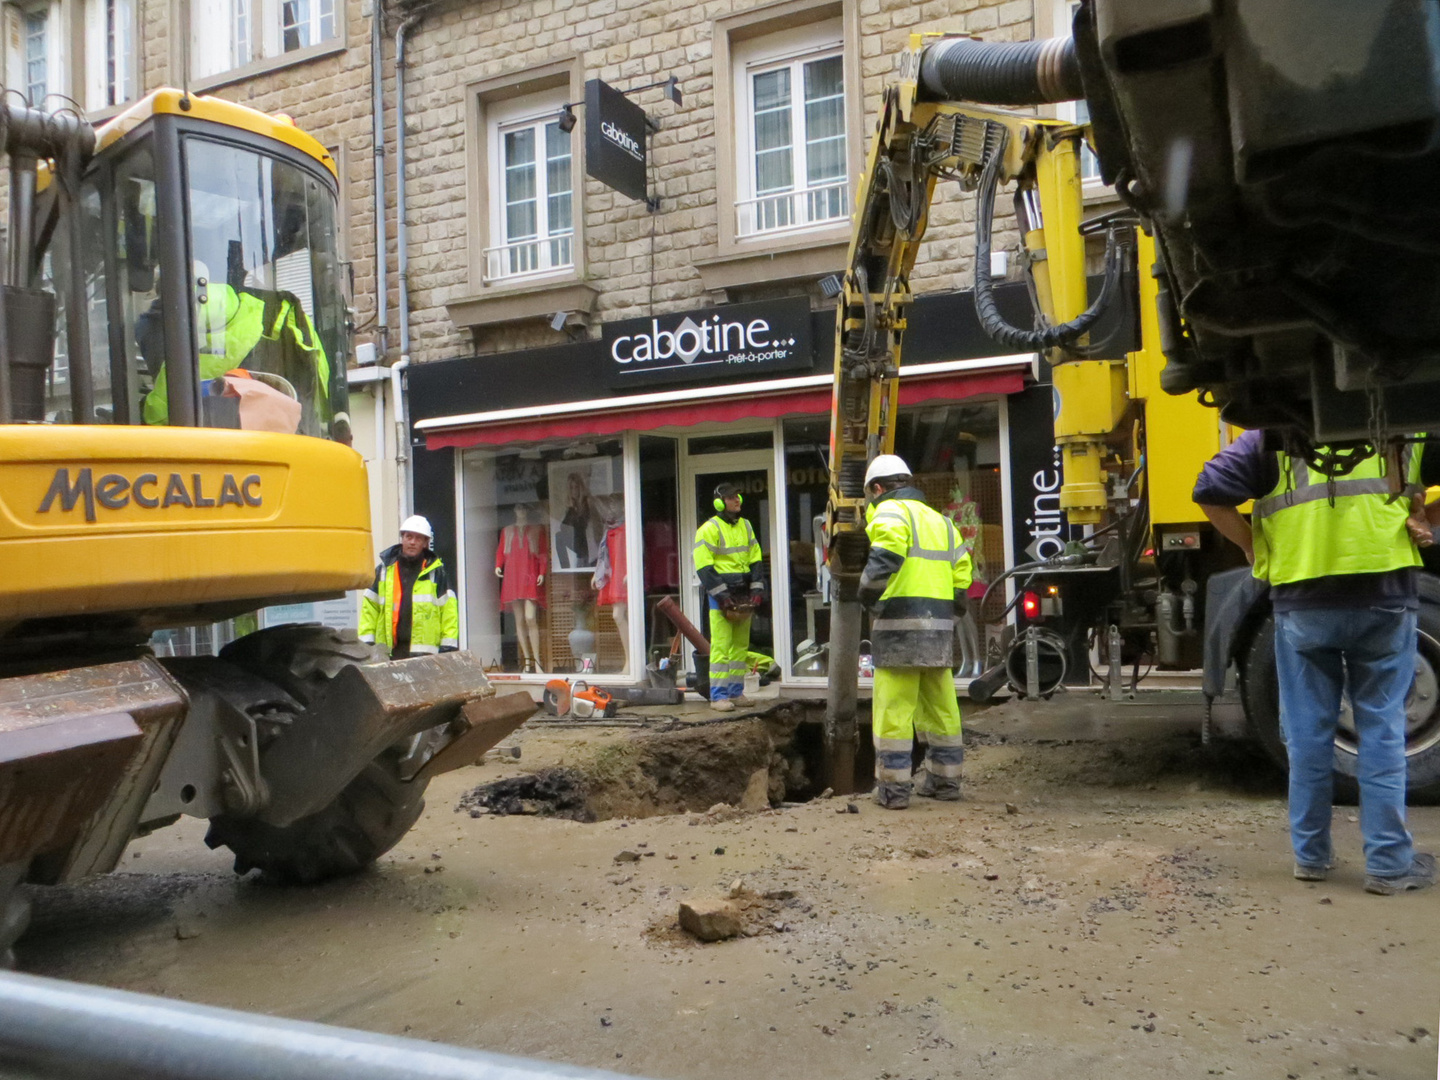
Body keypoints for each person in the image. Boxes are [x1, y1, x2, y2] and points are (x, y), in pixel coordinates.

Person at [1194, 431, 1437, 894]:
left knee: (1307, 734)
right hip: (1383, 597)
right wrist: (1425, 516)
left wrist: (1253, 547)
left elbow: (1208, 489)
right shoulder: (1400, 428)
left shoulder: (1269, 436)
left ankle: (1311, 858)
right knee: (1382, 730)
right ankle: (1388, 865)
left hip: (1304, 602)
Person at [857, 454, 972, 809]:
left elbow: (886, 557)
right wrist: (945, 616)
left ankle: (893, 789)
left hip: (898, 627)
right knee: (941, 706)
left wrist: (867, 596)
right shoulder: (941, 521)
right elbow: (962, 578)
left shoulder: (891, 512)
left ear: (878, 488)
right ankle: (944, 781)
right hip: (937, 627)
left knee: (894, 709)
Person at [693, 482, 765, 711]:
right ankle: (718, 696)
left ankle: (735, 692)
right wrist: (723, 596)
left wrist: (756, 589)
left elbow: (755, 559)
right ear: (719, 502)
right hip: (721, 597)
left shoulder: (746, 526)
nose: (737, 500)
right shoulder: (709, 529)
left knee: (740, 647)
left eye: (738, 497)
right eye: (731, 497)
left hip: (741, 594)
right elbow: (704, 568)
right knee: (721, 648)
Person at [360, 515, 459, 660]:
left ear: (426, 542)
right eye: (409, 537)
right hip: (389, 653)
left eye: (418, 538)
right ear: (402, 538)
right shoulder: (384, 570)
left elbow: (449, 612)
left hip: (425, 656)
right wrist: (367, 644)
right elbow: (369, 609)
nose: (412, 542)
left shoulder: (436, 573)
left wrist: (448, 646)